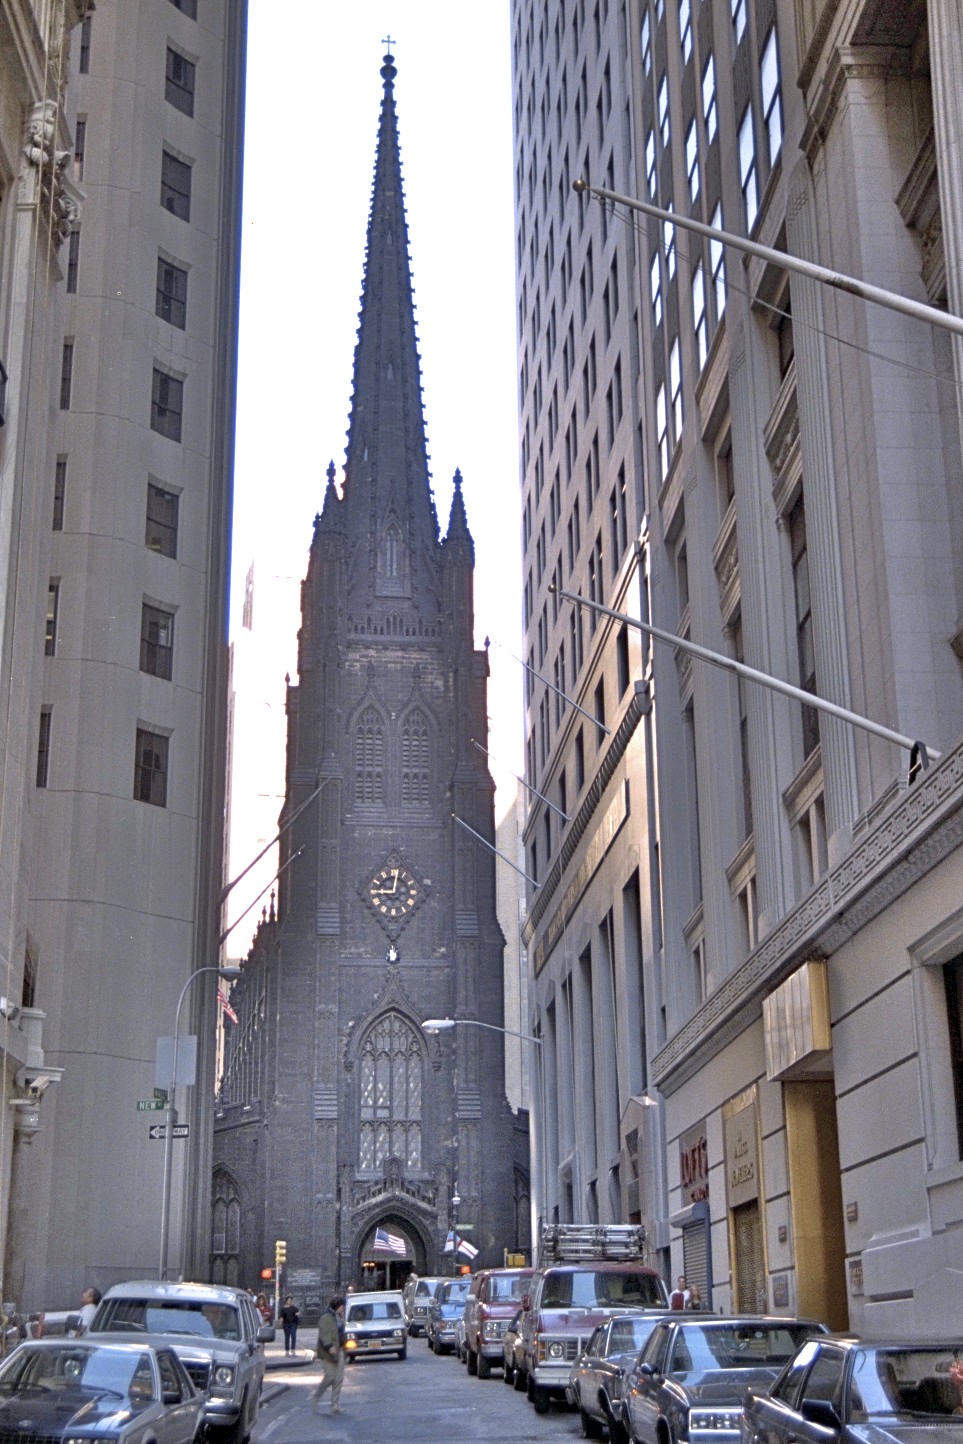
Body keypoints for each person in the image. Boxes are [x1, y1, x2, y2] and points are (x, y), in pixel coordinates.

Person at [313, 1295, 346, 1415]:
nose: (343, 1308)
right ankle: (316, 1397)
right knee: (330, 1377)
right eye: (342, 1306)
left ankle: (335, 1405)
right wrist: (329, 1346)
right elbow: (324, 1335)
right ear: (337, 1305)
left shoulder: (338, 1317)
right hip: (327, 1353)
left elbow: (341, 1333)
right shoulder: (326, 1318)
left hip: (340, 1350)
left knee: (339, 1378)